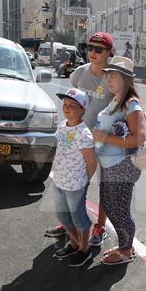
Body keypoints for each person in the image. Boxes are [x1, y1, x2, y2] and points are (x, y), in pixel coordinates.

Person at [43, 32, 115, 246]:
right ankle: (70, 224)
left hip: (102, 140)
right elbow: (72, 101)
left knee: (104, 186)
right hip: (77, 139)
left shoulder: (112, 77)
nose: (92, 52)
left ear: (108, 53)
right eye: (90, 48)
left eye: (99, 49)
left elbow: (123, 103)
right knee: (72, 182)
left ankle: (99, 227)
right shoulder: (79, 73)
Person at [91, 56, 146, 265]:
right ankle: (125, 245)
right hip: (109, 165)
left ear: (125, 79)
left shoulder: (132, 105)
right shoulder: (115, 100)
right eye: (107, 75)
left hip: (122, 166)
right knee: (108, 204)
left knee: (120, 210)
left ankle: (126, 250)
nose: (109, 79)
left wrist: (105, 137)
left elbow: (138, 139)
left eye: (113, 75)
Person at [50, 88, 99, 266]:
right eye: (65, 104)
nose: (67, 108)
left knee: (79, 219)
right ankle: (74, 243)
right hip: (59, 181)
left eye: (72, 105)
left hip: (76, 185)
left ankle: (84, 250)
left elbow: (91, 162)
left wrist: (84, 182)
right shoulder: (62, 126)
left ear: (82, 109)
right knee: (63, 217)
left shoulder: (84, 134)